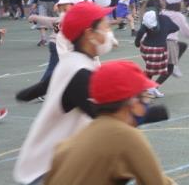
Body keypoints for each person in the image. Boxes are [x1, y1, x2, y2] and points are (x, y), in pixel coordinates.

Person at [14, 2, 117, 184]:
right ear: (89, 34)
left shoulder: (73, 62)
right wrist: (146, 111)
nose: (109, 31)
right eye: (105, 26)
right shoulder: (79, 73)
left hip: (61, 163)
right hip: (49, 170)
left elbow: (44, 85)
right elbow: (105, 118)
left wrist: (25, 94)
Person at [44, 61, 174, 185]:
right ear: (132, 102)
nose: (147, 103)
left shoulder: (69, 144)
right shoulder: (126, 136)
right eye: (145, 96)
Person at [16, 0, 85, 103]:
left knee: (57, 68)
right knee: (54, 69)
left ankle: (51, 89)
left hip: (56, 43)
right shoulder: (67, 18)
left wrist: (36, 18)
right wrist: (36, 17)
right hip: (57, 45)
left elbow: (54, 25)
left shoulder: (66, 18)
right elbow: (52, 23)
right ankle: (41, 91)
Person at [134, 0, 179, 98]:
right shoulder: (165, 18)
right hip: (157, 49)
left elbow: (141, 31)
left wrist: (137, 42)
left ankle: (150, 87)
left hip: (145, 48)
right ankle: (146, 87)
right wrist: (165, 31)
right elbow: (176, 27)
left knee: (150, 69)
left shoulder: (148, 18)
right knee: (157, 70)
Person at [162, 0, 189, 78]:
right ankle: (155, 86)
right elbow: (186, 31)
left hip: (158, 41)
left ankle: (174, 64)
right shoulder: (178, 16)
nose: (182, 3)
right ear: (177, 3)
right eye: (181, 1)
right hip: (170, 43)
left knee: (182, 45)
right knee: (169, 69)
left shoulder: (162, 12)